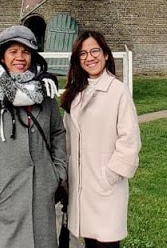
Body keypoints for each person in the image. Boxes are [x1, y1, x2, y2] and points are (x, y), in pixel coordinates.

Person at [0, 25, 66, 248]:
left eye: (26, 52)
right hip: (4, 194)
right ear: (3, 56)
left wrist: (57, 173)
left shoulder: (44, 94)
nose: (20, 57)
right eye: (13, 51)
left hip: (40, 193)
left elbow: (57, 132)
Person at [60, 30, 141, 248]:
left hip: (105, 187)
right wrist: (67, 176)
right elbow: (67, 137)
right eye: (83, 54)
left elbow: (130, 140)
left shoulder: (118, 91)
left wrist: (110, 175)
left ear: (106, 54)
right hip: (80, 186)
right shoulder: (75, 92)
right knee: (90, 242)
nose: (90, 57)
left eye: (95, 51)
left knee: (106, 243)